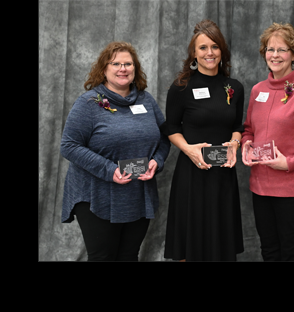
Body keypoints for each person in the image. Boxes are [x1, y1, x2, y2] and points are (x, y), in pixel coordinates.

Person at [60, 41, 170, 261]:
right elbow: (69, 145)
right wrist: (109, 170)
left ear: (135, 69)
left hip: (137, 193)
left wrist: (157, 161)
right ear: (104, 69)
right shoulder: (89, 103)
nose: (123, 68)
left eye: (128, 64)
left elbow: (164, 138)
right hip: (96, 194)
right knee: (103, 257)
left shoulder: (146, 100)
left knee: (129, 255)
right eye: (116, 63)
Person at [241, 22, 294, 261]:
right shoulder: (258, 90)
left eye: (282, 49)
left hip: (293, 190)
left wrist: (288, 163)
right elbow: (249, 129)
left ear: (293, 54)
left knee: (292, 253)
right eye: (270, 49)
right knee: (269, 251)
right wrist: (246, 145)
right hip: (260, 187)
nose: (275, 55)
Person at [160, 19, 244, 261]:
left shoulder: (234, 87)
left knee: (221, 243)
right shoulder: (181, 88)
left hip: (223, 175)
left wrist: (234, 144)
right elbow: (171, 127)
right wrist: (189, 150)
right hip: (192, 173)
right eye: (203, 47)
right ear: (193, 53)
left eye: (215, 47)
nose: (210, 53)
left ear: (222, 51)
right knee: (191, 242)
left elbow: (237, 126)